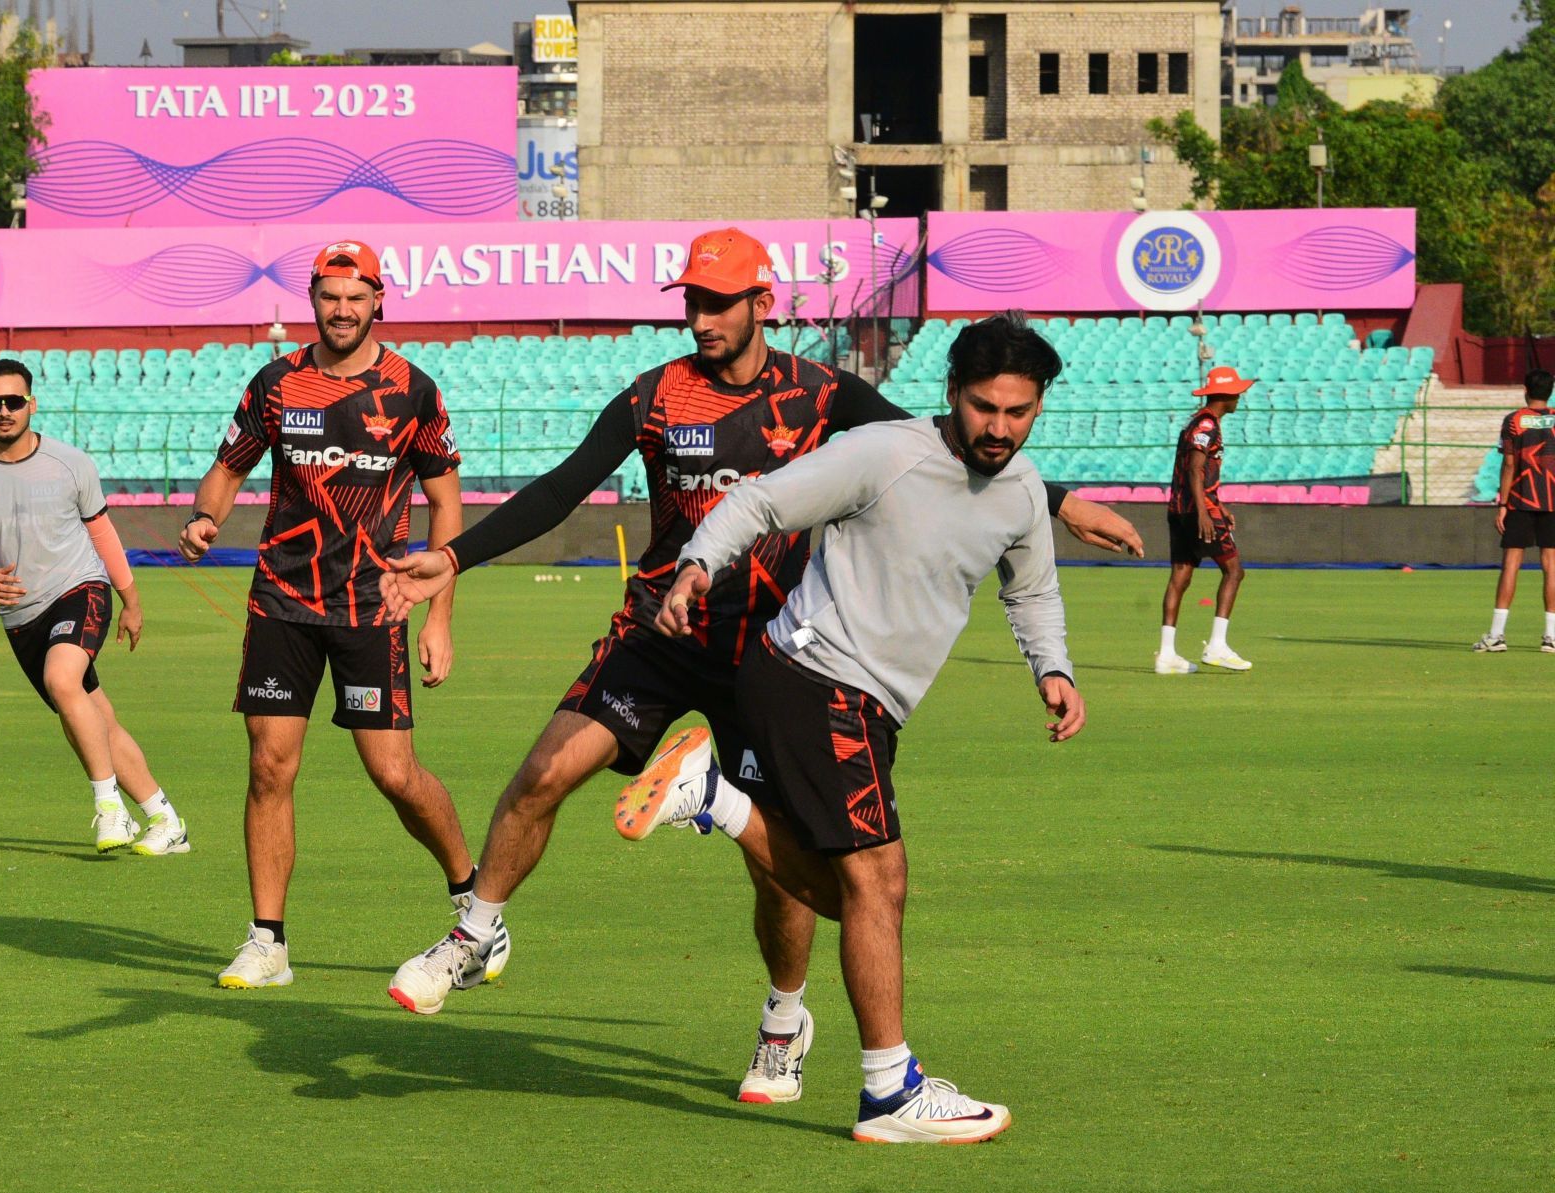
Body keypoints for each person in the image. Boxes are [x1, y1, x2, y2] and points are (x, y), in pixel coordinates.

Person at [379, 228, 1132, 1105]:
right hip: (662, 629)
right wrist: (457, 559)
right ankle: (478, 931)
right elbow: (562, 486)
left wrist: (1059, 499)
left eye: (717, 302)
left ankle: (783, 1020)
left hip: (771, 648)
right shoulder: (656, 394)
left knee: (778, 866)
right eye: (691, 300)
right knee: (546, 769)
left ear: (761, 305)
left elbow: (944, 447)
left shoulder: (821, 393)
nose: (699, 317)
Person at [618, 310, 1082, 1144]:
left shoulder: (1021, 492)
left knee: (842, 890)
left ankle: (713, 799)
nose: (999, 428)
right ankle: (889, 1090)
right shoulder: (889, 453)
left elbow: (1031, 589)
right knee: (880, 881)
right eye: (984, 408)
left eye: (1018, 412)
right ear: (952, 394)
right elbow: (761, 500)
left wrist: (1053, 668)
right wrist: (696, 566)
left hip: (849, 698)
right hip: (822, 680)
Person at [177, 240, 502, 990]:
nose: (343, 309)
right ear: (313, 299)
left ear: (379, 300)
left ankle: (472, 899)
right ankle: (268, 941)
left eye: (357, 297)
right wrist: (204, 516)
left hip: (373, 604)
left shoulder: (412, 390)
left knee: (393, 773)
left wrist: (438, 616)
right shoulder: (277, 382)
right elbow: (228, 467)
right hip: (282, 601)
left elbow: (447, 503)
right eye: (330, 295)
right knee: (268, 765)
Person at [0, 358, 187, 857]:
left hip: (80, 588)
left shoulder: (71, 462)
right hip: (20, 614)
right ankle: (165, 819)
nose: (5, 411)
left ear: (32, 403)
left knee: (62, 680)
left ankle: (108, 807)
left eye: (14, 401)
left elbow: (103, 535)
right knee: (95, 718)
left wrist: (131, 599)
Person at [1158, 365, 1254, 675]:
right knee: (1234, 571)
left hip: (1181, 509)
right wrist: (1204, 511)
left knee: (1180, 578)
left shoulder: (1197, 423)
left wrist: (1218, 502)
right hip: (1197, 512)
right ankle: (1217, 646)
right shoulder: (1206, 425)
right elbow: (1195, 469)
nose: (1240, 396)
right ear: (1225, 395)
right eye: (1237, 391)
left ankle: (1167, 655)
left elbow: (1197, 472)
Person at [1473, 369, 1555, 654]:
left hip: (1520, 501)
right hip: (1552, 502)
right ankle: (1551, 637)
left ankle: (1497, 635)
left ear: (1525, 389)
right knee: (1551, 564)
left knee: (1511, 563)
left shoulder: (1514, 420)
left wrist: (1503, 504)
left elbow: (1508, 465)